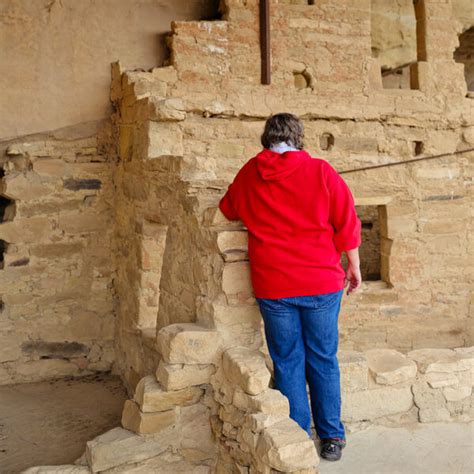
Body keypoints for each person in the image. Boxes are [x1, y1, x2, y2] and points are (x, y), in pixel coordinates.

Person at [218, 112, 362, 462]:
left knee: (287, 360)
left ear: (266, 138)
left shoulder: (250, 172)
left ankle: (295, 436)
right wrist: (354, 266)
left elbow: (227, 207)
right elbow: (346, 221)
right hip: (320, 281)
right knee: (323, 358)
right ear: (299, 137)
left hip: (274, 283)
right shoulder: (321, 171)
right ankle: (330, 437)